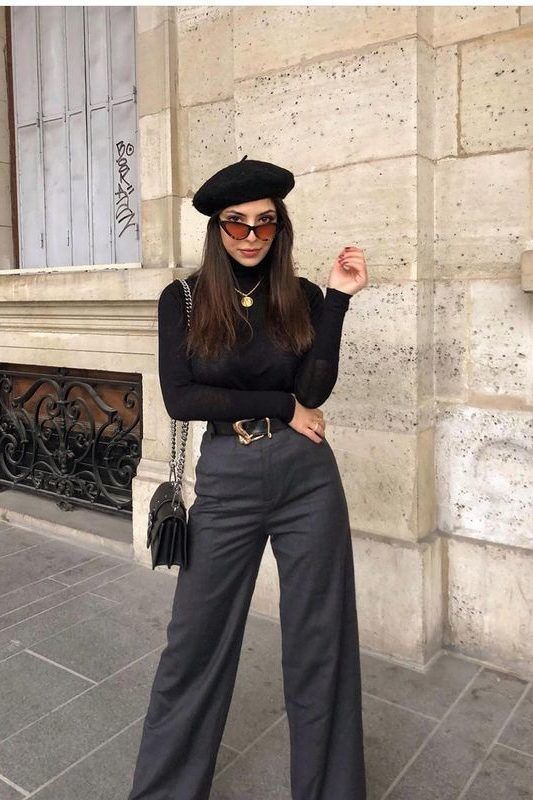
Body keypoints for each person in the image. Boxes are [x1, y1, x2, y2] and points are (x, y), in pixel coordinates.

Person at [127, 155, 369, 800]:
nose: (252, 235)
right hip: (229, 476)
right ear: (217, 229)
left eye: (265, 222)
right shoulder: (182, 300)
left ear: (280, 227)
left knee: (321, 641)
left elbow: (315, 389)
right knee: (194, 644)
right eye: (237, 223)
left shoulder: (302, 296)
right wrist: (279, 405)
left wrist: (338, 300)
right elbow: (183, 398)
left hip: (307, 478)